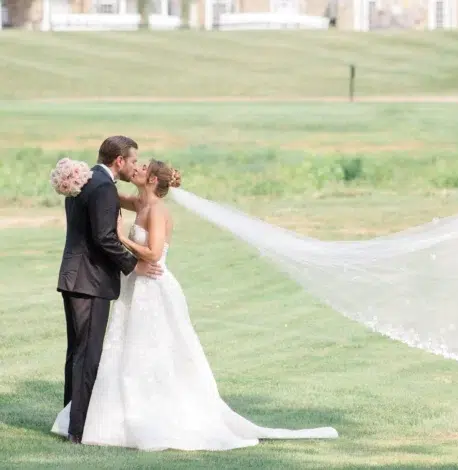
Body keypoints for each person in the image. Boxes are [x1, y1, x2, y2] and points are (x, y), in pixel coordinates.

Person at [52, 159, 338, 450]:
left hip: (153, 286)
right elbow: (104, 191)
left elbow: (153, 254)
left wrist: (123, 238)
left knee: (155, 348)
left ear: (152, 180)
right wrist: (78, 177)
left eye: (143, 167)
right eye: (136, 164)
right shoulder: (140, 204)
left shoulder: (158, 211)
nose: (136, 168)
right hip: (134, 287)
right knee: (126, 349)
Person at [56, 136, 162, 444]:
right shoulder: (103, 187)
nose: (134, 166)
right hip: (90, 281)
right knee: (87, 354)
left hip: (74, 277)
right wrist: (134, 265)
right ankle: (78, 429)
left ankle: (69, 420)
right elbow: (105, 237)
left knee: (76, 352)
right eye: (133, 161)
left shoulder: (86, 178)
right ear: (119, 161)